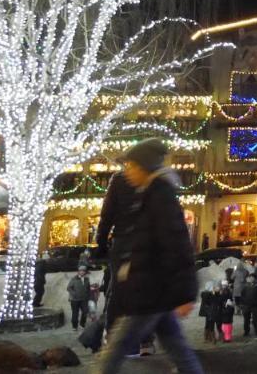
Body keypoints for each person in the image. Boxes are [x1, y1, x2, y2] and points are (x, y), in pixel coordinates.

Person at [90, 139, 201, 374]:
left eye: (130, 166)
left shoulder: (159, 197)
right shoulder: (148, 193)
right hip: (151, 288)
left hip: (149, 290)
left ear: (143, 167)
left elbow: (178, 245)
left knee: (113, 353)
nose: (126, 172)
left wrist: (185, 294)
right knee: (178, 350)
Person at [67, 265, 91, 329]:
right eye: (81, 271)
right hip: (75, 300)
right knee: (75, 313)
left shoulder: (86, 279)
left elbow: (88, 288)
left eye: (84, 271)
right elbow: (69, 288)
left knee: (85, 312)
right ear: (78, 272)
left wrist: (88, 295)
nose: (82, 272)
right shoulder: (74, 279)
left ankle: (82, 324)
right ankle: (74, 326)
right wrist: (74, 294)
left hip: (84, 299)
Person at [240, 269, 257, 337]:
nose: (251, 279)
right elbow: (242, 295)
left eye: (252, 277)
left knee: (256, 319)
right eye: (250, 277)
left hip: (254, 306)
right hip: (246, 305)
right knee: (246, 319)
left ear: (255, 279)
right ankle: (246, 331)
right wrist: (244, 302)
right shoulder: (245, 286)